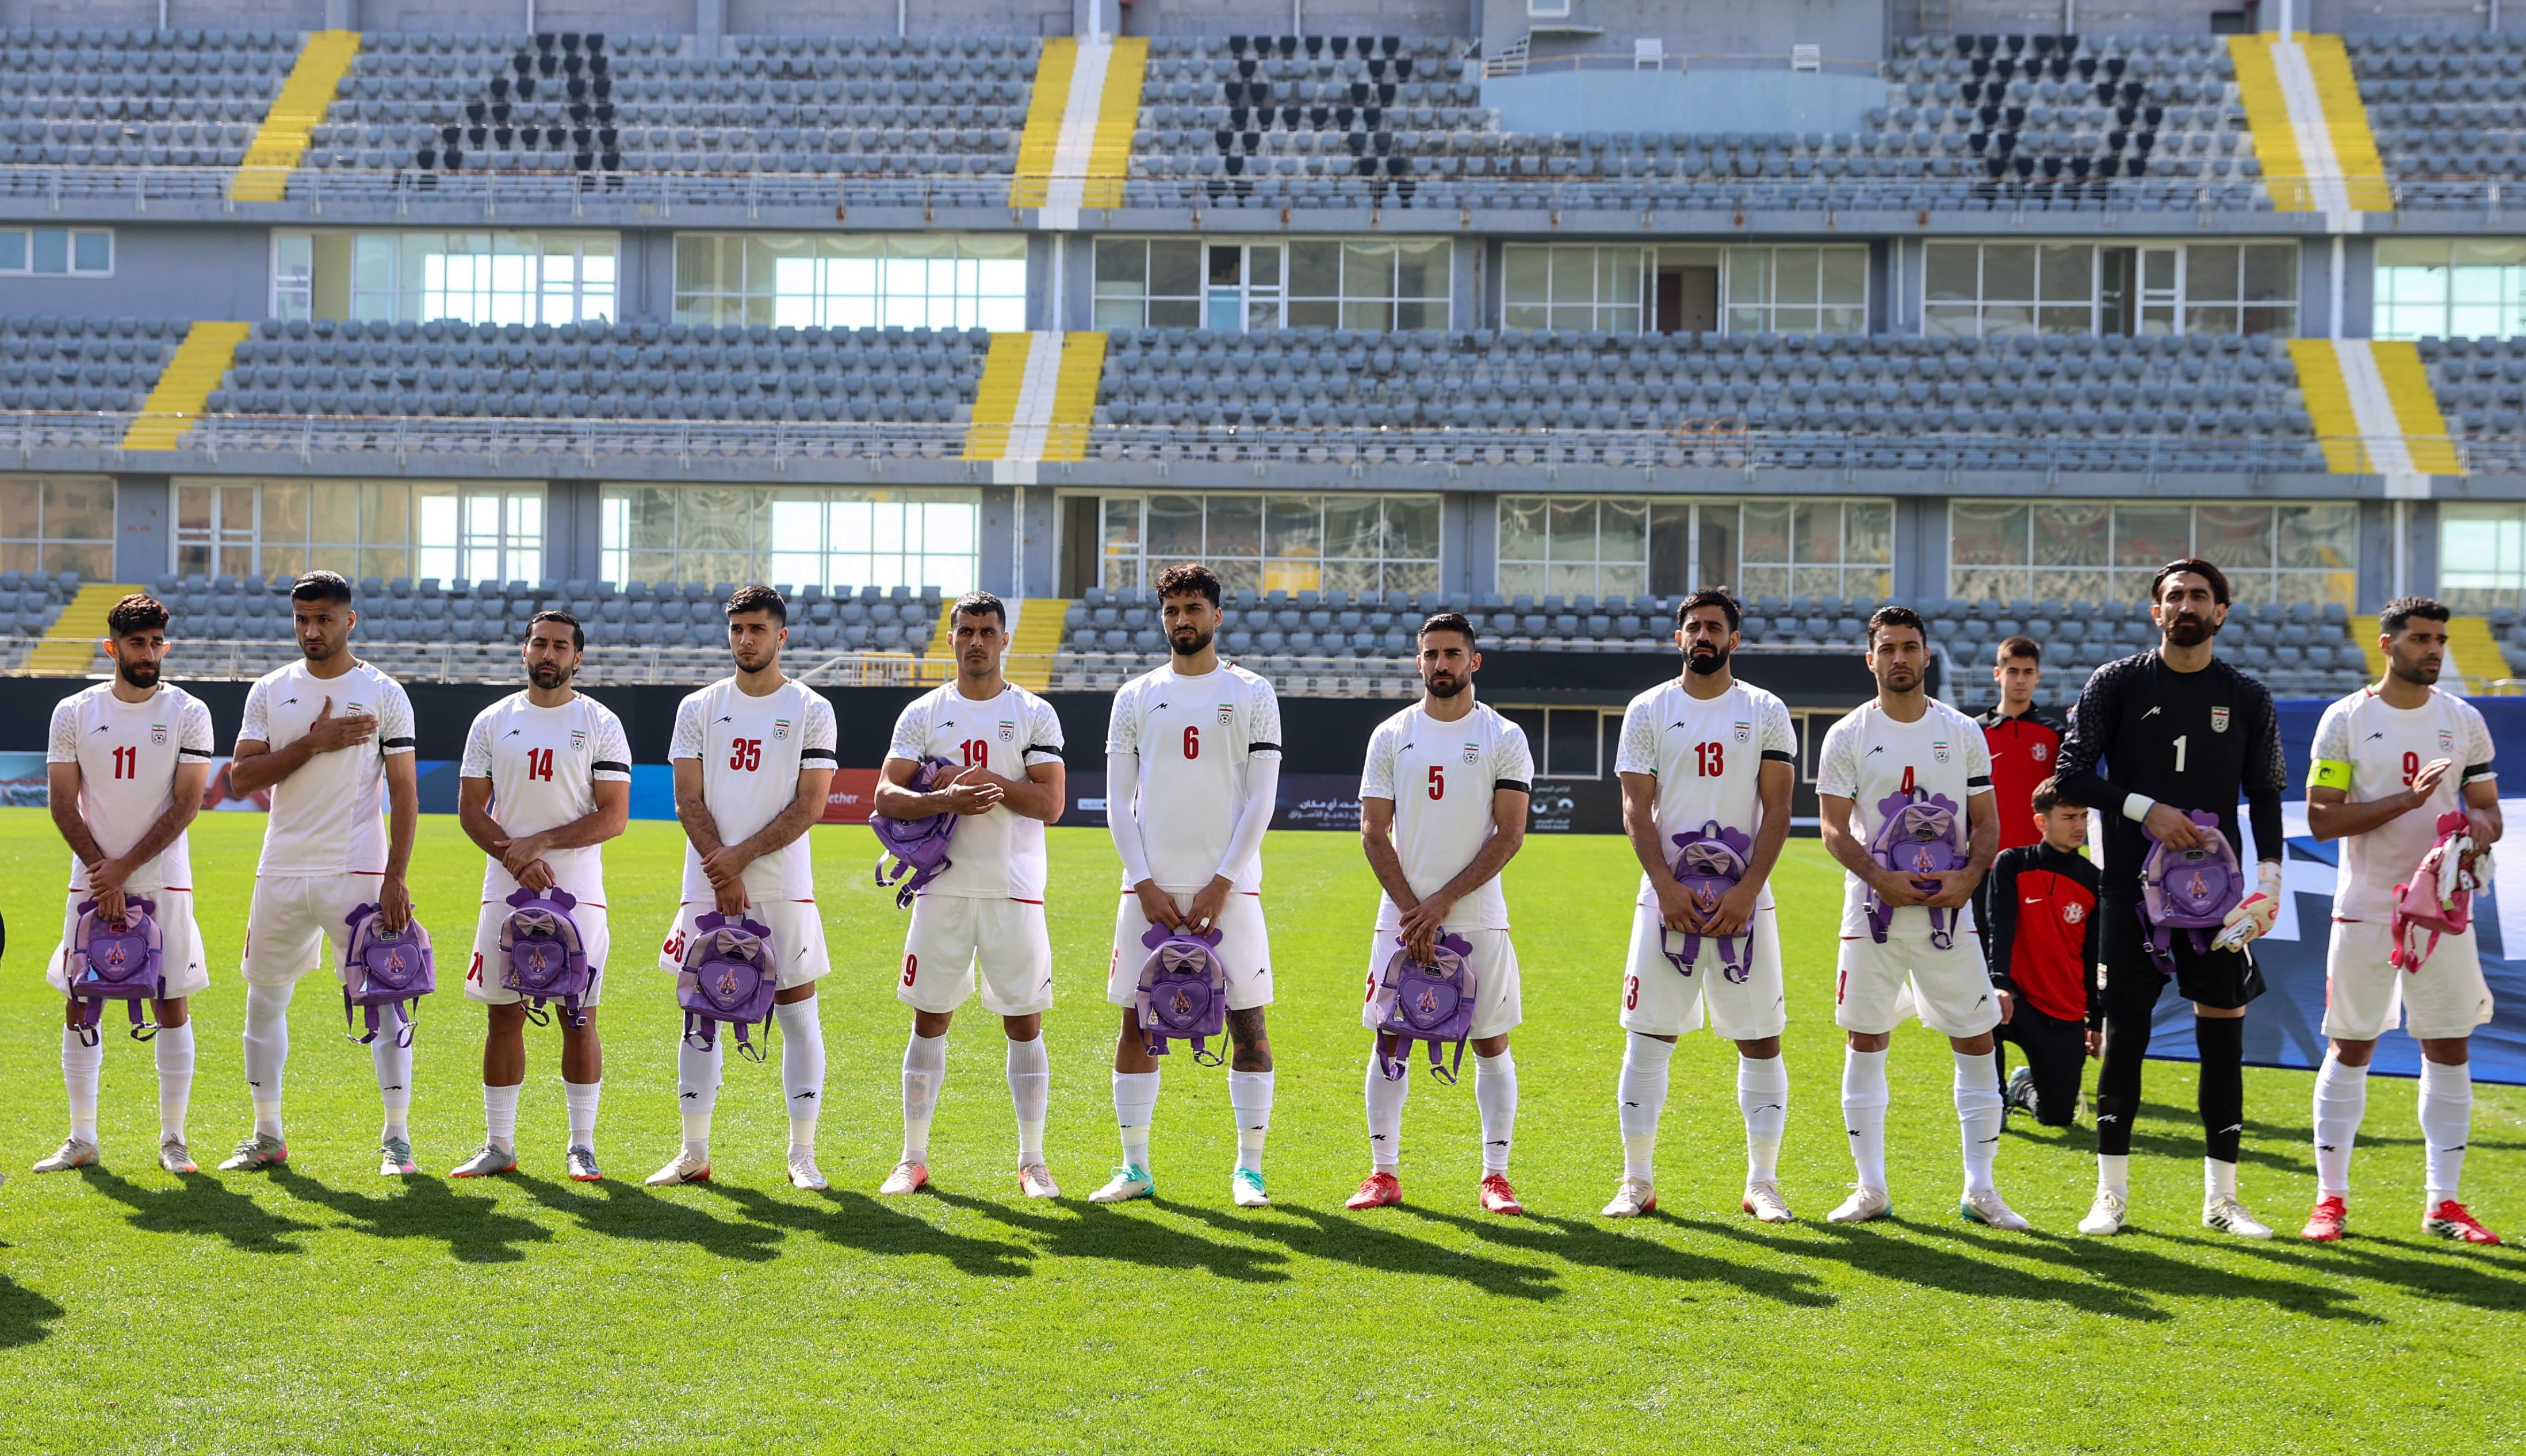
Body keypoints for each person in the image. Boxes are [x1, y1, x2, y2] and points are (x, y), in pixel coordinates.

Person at [2055, 558, 2287, 1239]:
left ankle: (2223, 1199)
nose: (2187, 605)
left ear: (2222, 610)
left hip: (2219, 903)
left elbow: (2267, 794)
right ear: (2155, 611)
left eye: (2200, 596)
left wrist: (2269, 882)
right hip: (2132, 894)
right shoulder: (2117, 683)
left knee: (2224, 1037)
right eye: (2174, 596)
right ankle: (2111, 1197)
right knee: (2125, 1036)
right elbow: (2071, 772)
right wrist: (2145, 808)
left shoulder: (2246, 695)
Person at [2301, 597, 2503, 1245]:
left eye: (2441, 638)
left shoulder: (2464, 720)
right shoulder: (2346, 720)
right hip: (2365, 908)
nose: (2435, 650)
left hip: (2444, 910)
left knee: (2448, 1044)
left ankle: (2443, 1204)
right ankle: (2330, 1201)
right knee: (2352, 1045)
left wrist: (2478, 832)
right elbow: (2322, 819)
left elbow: (2490, 810)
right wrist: (2406, 802)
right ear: (2387, 645)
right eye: (2421, 639)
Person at [1816, 605, 2026, 1229]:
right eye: (1889, 648)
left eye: (1911, 647)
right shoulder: (1847, 734)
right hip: (1872, 913)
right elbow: (1833, 828)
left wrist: (1967, 879)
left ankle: (1981, 1190)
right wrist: (1882, 878)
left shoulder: (1962, 731)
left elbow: (1987, 822)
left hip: (1948, 914)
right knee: (1866, 1038)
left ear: (1926, 656)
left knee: (1977, 1037)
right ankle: (1871, 1187)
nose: (1900, 658)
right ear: (1871, 658)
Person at [1602, 590, 1798, 1223]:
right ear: (1678, 638)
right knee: (1648, 1036)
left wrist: (1747, 891)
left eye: (1715, 627)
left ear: (1734, 640)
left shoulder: (1765, 709)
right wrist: (1663, 884)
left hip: (1746, 903)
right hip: (1666, 898)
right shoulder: (1648, 708)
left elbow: (1778, 808)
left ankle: (1762, 1183)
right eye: (1693, 627)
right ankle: (1637, 1181)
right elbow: (1636, 807)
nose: (1703, 636)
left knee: (1761, 1041)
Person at [216, 571, 421, 1175]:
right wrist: (315, 741)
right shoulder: (270, 690)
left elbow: (405, 795)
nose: (312, 630)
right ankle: (266, 1134)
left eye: (324, 619)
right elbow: (241, 779)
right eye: (303, 619)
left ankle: (396, 1137)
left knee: (386, 1000)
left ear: (349, 620)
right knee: (264, 999)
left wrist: (395, 876)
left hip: (356, 870)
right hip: (280, 868)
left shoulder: (384, 693)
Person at [1093, 562, 1283, 1207]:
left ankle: (1249, 1170)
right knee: (1134, 1024)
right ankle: (1134, 1167)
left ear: (1217, 616)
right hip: (1145, 890)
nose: (1183, 620)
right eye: (1172, 610)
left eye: (1194, 608)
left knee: (1249, 1023)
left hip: (1233, 891)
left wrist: (1222, 881)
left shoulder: (1254, 692)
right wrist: (1144, 882)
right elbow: (1119, 802)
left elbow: (1261, 801)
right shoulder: (1135, 695)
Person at [874, 591, 1067, 1200]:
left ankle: (1032, 1162)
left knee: (1023, 1022)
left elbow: (1051, 804)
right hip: (942, 888)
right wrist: (941, 801)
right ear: (951, 638)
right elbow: (884, 795)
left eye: (987, 631)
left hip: (1014, 891)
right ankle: (912, 1159)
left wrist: (986, 783)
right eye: (966, 631)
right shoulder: (924, 713)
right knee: (929, 1018)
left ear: (1005, 640)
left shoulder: (1034, 713)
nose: (976, 641)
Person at [647, 585, 839, 1191]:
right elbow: (687, 798)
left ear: (781, 637)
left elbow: (810, 806)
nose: (745, 639)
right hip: (706, 885)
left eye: (757, 629)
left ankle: (803, 1154)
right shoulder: (699, 707)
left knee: (798, 1014)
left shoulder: (812, 708)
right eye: (737, 629)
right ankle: (693, 1152)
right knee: (699, 1012)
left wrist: (739, 862)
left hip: (783, 885)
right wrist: (721, 869)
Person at [1347, 611, 1533, 1215]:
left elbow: (1509, 835)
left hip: (1476, 916)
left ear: (1474, 662)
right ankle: (1383, 1174)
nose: (1441, 664)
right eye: (1431, 654)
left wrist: (1442, 904)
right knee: (1389, 1038)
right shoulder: (1389, 735)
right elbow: (1374, 833)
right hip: (1401, 919)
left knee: (1490, 1042)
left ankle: (1496, 1176)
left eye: (1453, 654)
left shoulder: (1505, 737)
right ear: (1419, 661)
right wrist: (1413, 911)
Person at [35, 593, 215, 1175]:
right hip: (90, 880)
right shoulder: (73, 712)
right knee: (80, 999)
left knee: (171, 1001)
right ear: (113, 647)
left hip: (165, 879)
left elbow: (188, 805)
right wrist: (102, 872)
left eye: (158, 642)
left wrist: (121, 869)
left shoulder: (189, 711)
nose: (149, 653)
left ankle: (174, 1139)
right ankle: (81, 1136)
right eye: (138, 643)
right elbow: (63, 804)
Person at [450, 611, 631, 1182]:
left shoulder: (600, 722)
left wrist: (542, 844)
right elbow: (470, 809)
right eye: (539, 644)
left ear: (578, 658)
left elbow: (615, 816)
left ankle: (582, 1145)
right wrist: (514, 856)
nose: (548, 654)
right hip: (504, 889)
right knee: (503, 1019)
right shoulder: (491, 720)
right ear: (524, 651)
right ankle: (499, 1144)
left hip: (578, 893)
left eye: (560, 646)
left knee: (580, 1018)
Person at [1983, 776, 2099, 1128]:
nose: (2079, 825)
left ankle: (2024, 1088)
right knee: (1980, 1014)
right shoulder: (2012, 864)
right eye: (2068, 817)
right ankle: (1993, 1101)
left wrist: (2095, 1018)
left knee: (2058, 1117)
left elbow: (2095, 954)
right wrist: (1999, 983)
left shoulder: (2095, 880)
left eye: (2083, 816)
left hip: (2063, 1009)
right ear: (2041, 822)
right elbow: (1998, 926)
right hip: (2014, 999)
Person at [1974, 637, 2068, 952]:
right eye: (2013, 671)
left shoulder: (2055, 735)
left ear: (2038, 676)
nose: (2020, 679)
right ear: (1997, 674)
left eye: (2028, 672)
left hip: (2040, 863)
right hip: (1985, 863)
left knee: (2038, 953)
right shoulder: (1974, 732)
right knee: (1987, 954)